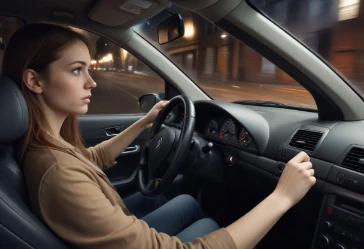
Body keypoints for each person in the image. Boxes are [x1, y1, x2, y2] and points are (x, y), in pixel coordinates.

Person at [3, 23, 316, 249]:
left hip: (116, 224)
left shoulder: (49, 146)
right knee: (207, 225)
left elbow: (92, 159)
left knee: (187, 202)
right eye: (76, 70)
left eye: (88, 70)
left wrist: (145, 122)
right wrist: (281, 198)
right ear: (35, 80)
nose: (91, 83)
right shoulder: (56, 172)